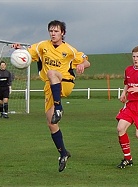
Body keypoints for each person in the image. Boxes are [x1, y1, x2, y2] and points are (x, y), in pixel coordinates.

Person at [13, 20, 91, 172]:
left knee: (51, 73)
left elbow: (86, 60)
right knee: (51, 123)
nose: (53, 33)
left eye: (56, 31)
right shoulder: (42, 46)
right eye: (51, 31)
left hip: (66, 82)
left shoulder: (69, 49)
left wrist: (82, 64)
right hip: (50, 86)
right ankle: (63, 153)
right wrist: (19, 50)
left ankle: (59, 108)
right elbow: (28, 54)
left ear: (63, 33)